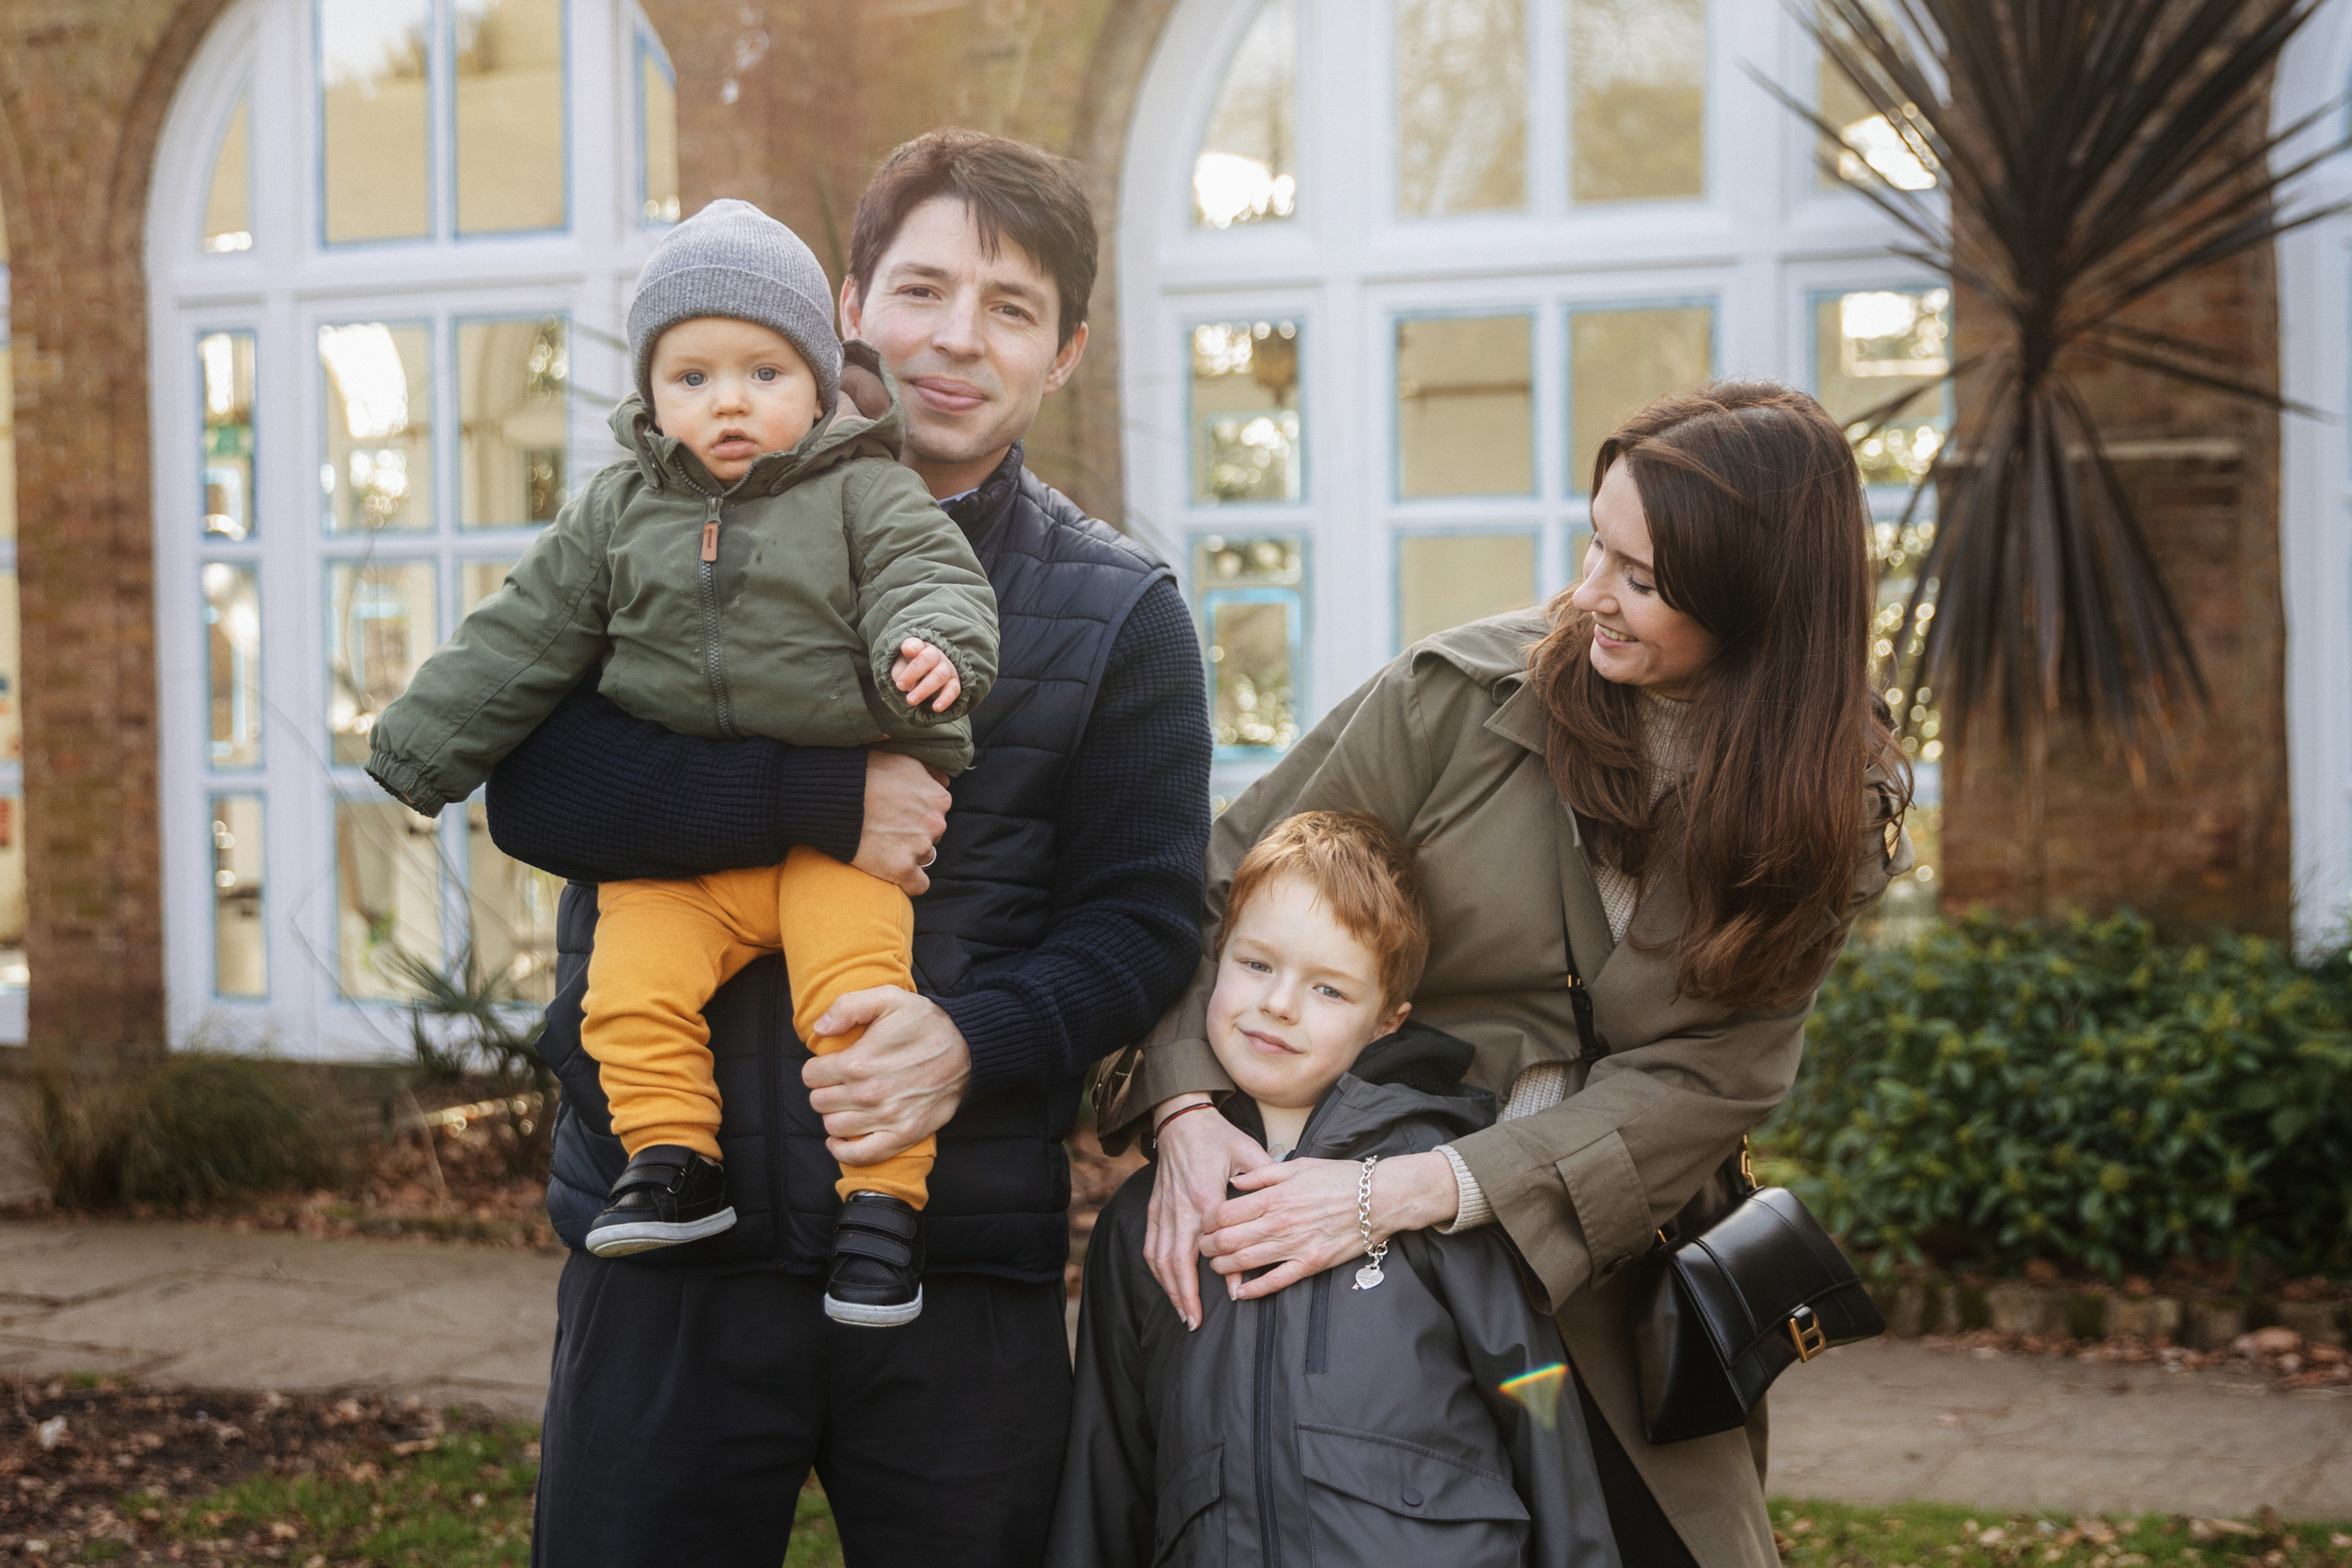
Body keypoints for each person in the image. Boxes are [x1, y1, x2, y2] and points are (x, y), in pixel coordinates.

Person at [492, 131, 1213, 1567]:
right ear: (844, 305)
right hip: (669, 1262)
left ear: (1065, 350)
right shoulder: (647, 526)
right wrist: (820, 800)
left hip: (954, 1266)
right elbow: (538, 794)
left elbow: (1140, 923)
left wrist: (970, 1036)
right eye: (924, 288)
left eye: (1010, 309)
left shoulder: (1121, 611)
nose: (957, 339)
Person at [1103, 382, 1913, 1568]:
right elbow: (1221, 884)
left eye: (1640, 577)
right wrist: (1181, 1105)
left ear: (1760, 603)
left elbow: (1712, 1074)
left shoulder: (1827, 803)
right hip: (1354, 1264)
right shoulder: (1454, 699)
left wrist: (1433, 1185)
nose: (1589, 593)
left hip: (1614, 1284)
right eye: (1597, 541)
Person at [365, 200, 998, 1325]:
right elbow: (519, 637)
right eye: (693, 377)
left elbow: (929, 575)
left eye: (762, 371)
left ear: (816, 381)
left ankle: (882, 1210)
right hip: (679, 850)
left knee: (859, 1012)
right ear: (652, 395)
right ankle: (673, 1161)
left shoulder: (863, 490)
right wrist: (421, 744)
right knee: (626, 995)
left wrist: (935, 648)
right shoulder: (616, 513)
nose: (730, 402)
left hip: (836, 841)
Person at [1050, 811, 1623, 1568]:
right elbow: (1107, 1467)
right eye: (1256, 964)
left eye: (1328, 988)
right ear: (1217, 959)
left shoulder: (1442, 1188)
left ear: (1387, 1020)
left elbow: (1538, 1410)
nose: (1280, 1003)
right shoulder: (1147, 1220)